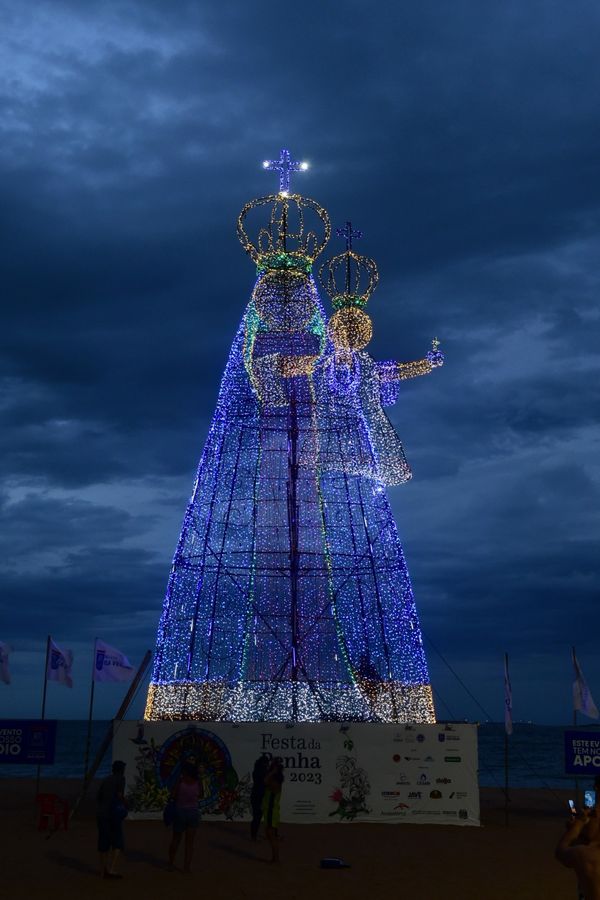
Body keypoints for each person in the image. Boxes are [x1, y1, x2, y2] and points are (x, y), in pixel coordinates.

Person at [555, 806, 600, 900]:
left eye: (592, 815)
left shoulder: (586, 855)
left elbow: (560, 851)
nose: (589, 818)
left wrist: (578, 824)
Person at [168, 761, 202, 873]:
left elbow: (172, 795)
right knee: (189, 843)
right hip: (193, 812)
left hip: (180, 811)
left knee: (176, 840)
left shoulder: (180, 781)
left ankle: (171, 863)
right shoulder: (197, 782)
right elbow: (201, 795)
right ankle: (186, 867)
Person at [96, 759, 127, 879]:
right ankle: (111, 869)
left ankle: (102, 870)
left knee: (103, 843)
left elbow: (99, 797)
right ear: (121, 770)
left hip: (101, 813)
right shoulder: (121, 779)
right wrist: (126, 803)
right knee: (117, 842)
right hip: (112, 814)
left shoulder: (107, 779)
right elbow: (119, 795)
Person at [262, 757, 284, 863]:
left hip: (271, 812)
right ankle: (275, 858)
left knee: (271, 836)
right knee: (269, 834)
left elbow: (265, 781)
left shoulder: (274, 783)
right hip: (269, 811)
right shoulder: (275, 781)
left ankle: (276, 859)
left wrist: (272, 772)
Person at [250, 753, 270, 841]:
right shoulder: (261, 772)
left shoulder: (257, 771)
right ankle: (254, 836)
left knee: (257, 817)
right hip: (259, 796)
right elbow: (265, 781)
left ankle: (254, 835)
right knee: (258, 817)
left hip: (257, 795)